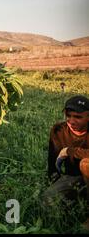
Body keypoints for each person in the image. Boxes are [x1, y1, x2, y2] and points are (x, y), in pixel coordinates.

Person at [44, 95, 89, 229]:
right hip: (73, 177)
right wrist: (52, 181)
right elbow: (52, 159)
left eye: (78, 117)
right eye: (68, 116)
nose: (71, 121)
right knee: (48, 199)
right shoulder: (58, 130)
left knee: (86, 164)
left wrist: (71, 151)